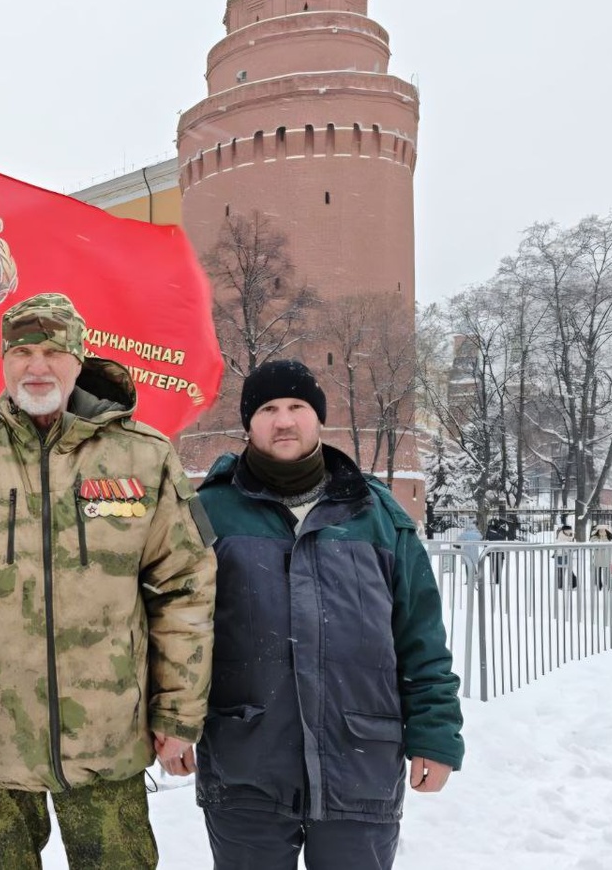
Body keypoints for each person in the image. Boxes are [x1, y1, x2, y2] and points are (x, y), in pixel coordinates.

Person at [0, 293, 216, 869]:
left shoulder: (142, 458)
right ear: (2, 359)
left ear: (78, 360)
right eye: (21, 352)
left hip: (109, 737)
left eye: (53, 352)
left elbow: (183, 589)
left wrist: (177, 714)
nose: (36, 367)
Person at [194, 359, 464, 870]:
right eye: (268, 410)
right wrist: (172, 721)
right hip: (245, 761)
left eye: (297, 406)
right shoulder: (209, 513)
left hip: (359, 762)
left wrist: (435, 732)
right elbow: (176, 628)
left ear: (319, 417)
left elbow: (420, 637)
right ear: (248, 423)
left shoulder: (377, 516)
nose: (284, 421)